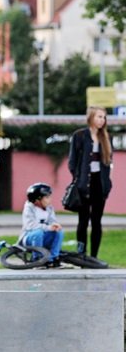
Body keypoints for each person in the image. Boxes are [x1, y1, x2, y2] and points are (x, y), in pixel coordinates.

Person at [69, 106, 113, 258]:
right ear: (91, 118)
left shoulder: (106, 137)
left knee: (96, 222)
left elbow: (108, 164)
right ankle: (82, 255)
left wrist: (107, 184)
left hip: (99, 184)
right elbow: (72, 162)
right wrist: (77, 179)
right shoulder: (79, 135)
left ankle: (94, 256)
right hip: (83, 185)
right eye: (99, 117)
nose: (102, 120)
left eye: (104, 117)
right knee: (83, 221)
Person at [20, 183, 64, 267]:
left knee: (59, 231)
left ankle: (53, 258)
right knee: (38, 232)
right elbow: (30, 225)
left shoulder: (49, 208)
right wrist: (48, 227)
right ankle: (37, 258)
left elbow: (52, 220)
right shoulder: (29, 208)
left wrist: (55, 225)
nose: (50, 199)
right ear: (37, 199)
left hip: (44, 236)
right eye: (47, 197)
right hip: (29, 238)